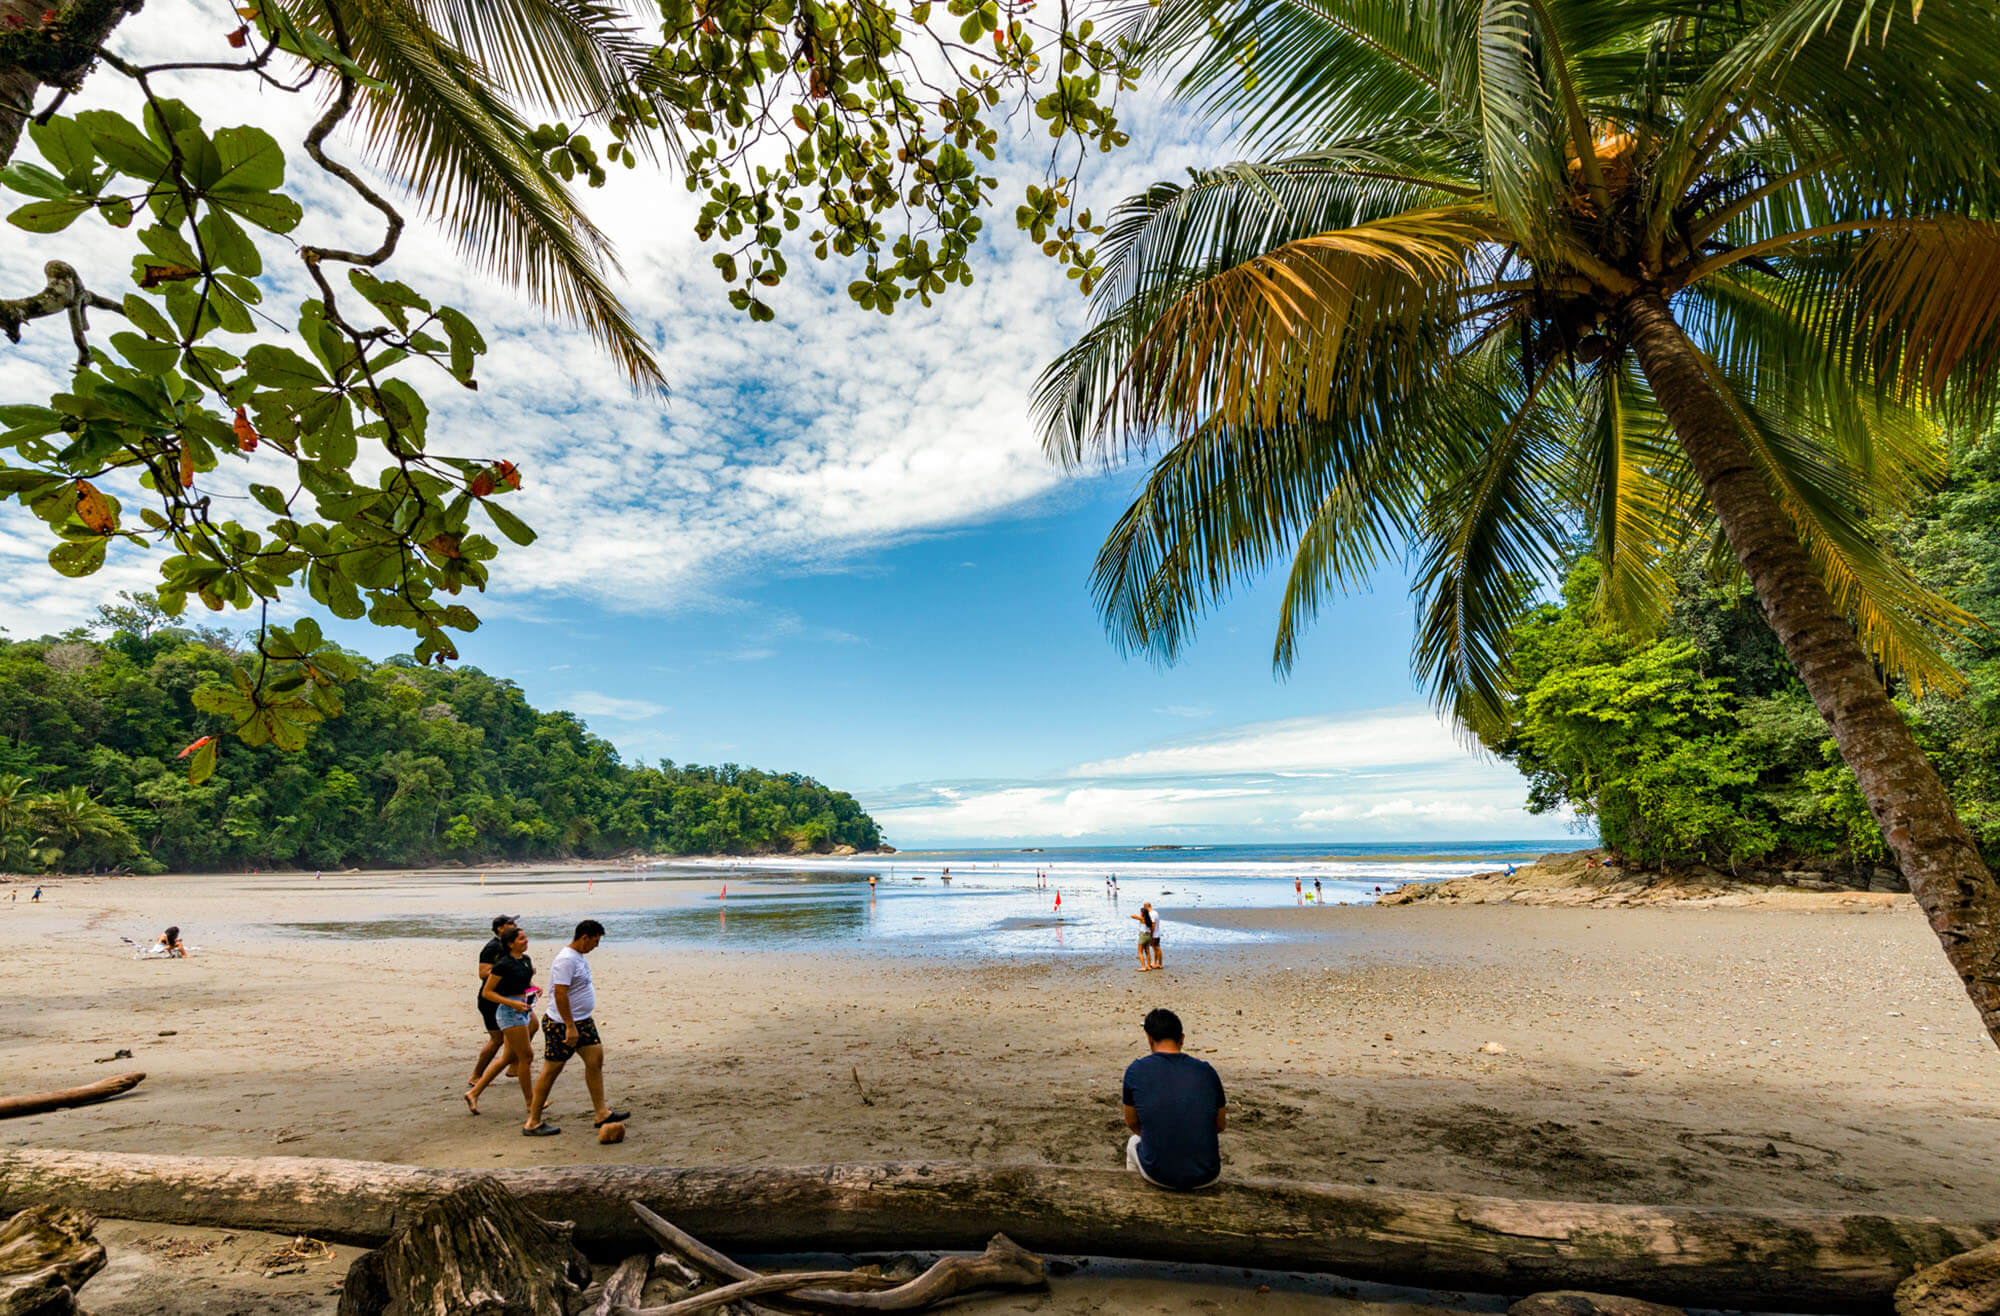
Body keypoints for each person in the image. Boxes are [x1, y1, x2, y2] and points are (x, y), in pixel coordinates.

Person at [529, 919, 628, 1133]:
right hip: (562, 1024)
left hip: (584, 1021)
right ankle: (533, 1121)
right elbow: (560, 994)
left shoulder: (579, 957)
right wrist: (569, 1026)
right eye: (595, 941)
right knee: (551, 1071)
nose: (596, 945)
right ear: (584, 937)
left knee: (595, 1060)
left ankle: (601, 1113)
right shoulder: (565, 960)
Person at [1121, 1008, 1226, 1190]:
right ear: (1182, 1039)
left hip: (1159, 1176)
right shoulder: (1206, 1071)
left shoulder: (1135, 1070)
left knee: (1133, 1143)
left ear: (1149, 1038)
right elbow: (1220, 1125)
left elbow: (1132, 1123)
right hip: (1207, 1175)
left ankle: (1136, 1194)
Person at [465, 927, 554, 1133]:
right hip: (508, 1012)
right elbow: (488, 993)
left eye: (525, 937)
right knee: (526, 1057)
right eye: (521, 939)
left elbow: (522, 982)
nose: (526, 940)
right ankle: (530, 1102)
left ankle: (474, 1093)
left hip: (522, 1009)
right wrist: (511, 1003)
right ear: (510, 943)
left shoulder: (525, 960)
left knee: (506, 1058)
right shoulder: (502, 965)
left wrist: (533, 989)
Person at [472, 915, 523, 1085]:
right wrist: (505, 969)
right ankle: (476, 1076)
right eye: (511, 923)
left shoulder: (509, 946)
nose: (515, 925)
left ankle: (514, 1064)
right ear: (500, 928)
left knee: (531, 1026)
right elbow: (482, 973)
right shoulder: (492, 947)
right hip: (490, 1000)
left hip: (506, 996)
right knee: (497, 1039)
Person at [1131, 902, 1160, 971]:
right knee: (1147, 951)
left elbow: (1132, 915)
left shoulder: (1142, 919)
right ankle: (1149, 966)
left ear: (1142, 913)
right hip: (1148, 935)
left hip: (1143, 935)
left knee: (1140, 951)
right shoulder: (1149, 919)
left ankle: (1143, 967)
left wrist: (1140, 916)